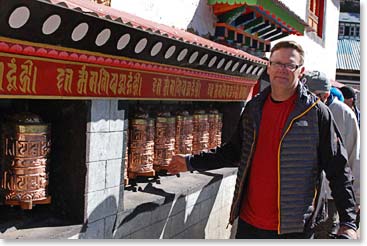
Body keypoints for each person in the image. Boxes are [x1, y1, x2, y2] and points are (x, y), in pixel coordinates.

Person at [167, 40, 358, 239]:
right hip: (250, 223)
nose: (282, 70)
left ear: (301, 71)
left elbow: (338, 167)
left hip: (293, 227)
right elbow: (233, 152)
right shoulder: (254, 108)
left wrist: (348, 222)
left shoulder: (317, 113)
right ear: (268, 67)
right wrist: (191, 162)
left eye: (290, 65)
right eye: (277, 63)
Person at [303, 70, 360, 238]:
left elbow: (354, 156)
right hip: (304, 193)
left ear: (325, 95)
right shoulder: (301, 110)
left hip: (331, 194)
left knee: (325, 235)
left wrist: (356, 198)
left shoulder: (344, 114)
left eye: (310, 95)